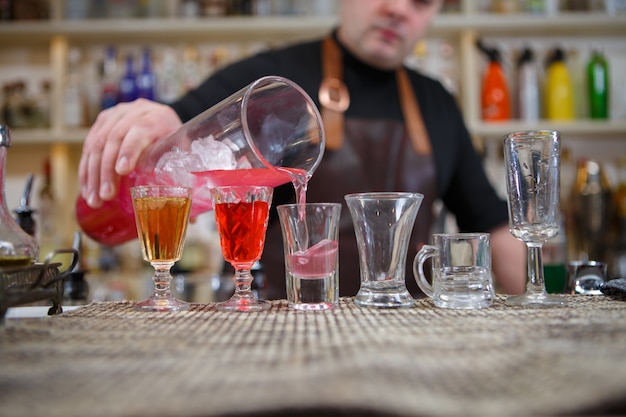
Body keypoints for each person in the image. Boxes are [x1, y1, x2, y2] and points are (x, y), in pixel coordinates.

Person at [79, 0, 526, 299]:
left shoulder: (436, 102)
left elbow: (491, 223)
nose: (397, 9)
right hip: (281, 330)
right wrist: (162, 123)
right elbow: (182, 129)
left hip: (402, 334)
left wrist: (535, 303)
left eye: (421, 1)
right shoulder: (274, 77)